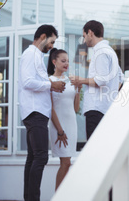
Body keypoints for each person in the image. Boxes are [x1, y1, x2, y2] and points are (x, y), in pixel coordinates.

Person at [18, 24, 65, 201]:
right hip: (35, 112)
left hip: (37, 112)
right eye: (52, 41)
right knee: (40, 157)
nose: (52, 46)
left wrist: (52, 87)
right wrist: (51, 84)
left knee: (33, 158)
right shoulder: (30, 54)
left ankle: (30, 198)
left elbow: (34, 83)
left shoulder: (36, 56)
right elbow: (27, 82)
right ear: (43, 36)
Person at [70, 20, 122, 140]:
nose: (84, 40)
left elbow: (102, 80)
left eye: (84, 36)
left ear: (90, 33)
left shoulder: (100, 52)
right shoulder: (110, 52)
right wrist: (110, 94)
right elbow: (120, 78)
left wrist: (80, 80)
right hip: (106, 108)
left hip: (96, 109)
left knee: (93, 151)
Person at [47, 48, 82, 190]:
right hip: (58, 126)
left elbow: (75, 109)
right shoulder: (50, 81)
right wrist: (60, 130)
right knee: (66, 163)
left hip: (71, 125)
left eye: (67, 61)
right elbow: (51, 108)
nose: (66, 63)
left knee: (67, 163)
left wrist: (78, 89)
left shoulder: (71, 80)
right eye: (63, 61)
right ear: (54, 62)